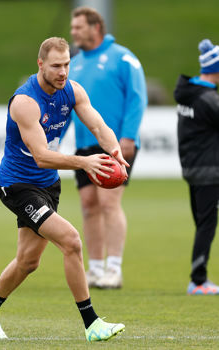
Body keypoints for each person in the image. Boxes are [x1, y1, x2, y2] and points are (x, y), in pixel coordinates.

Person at [0, 37, 128, 342]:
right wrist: (84, 163)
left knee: (28, 261)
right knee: (71, 241)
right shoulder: (25, 102)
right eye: (56, 65)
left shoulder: (72, 90)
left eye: (67, 64)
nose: (63, 71)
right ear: (41, 64)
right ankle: (92, 323)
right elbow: (42, 156)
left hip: (48, 186)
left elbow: (98, 126)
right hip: (17, 185)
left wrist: (115, 151)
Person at [66, 7, 147, 289]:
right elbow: (67, 107)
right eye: (73, 27)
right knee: (89, 206)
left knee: (109, 203)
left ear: (95, 27)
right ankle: (96, 268)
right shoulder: (73, 64)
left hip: (115, 145)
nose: (73, 32)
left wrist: (128, 137)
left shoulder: (123, 58)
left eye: (78, 27)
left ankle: (114, 269)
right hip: (83, 147)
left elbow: (138, 99)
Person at [174, 39, 219, 295]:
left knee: (203, 222)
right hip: (209, 171)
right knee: (207, 224)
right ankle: (199, 280)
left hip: (193, 168)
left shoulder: (189, 94)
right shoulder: (208, 99)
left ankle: (199, 278)